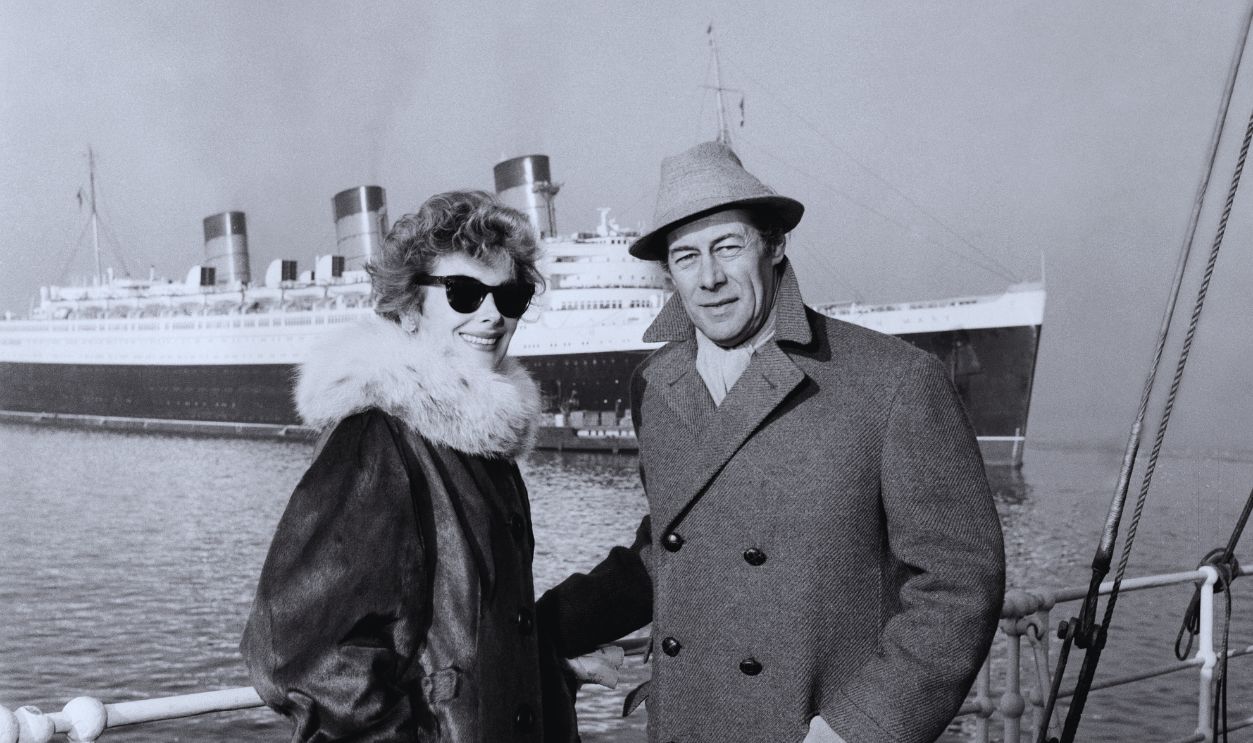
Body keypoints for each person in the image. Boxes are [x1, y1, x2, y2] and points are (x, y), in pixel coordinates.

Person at [536, 141, 1006, 743]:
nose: (708, 279)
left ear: (775, 244)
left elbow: (960, 581)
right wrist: (542, 628)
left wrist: (857, 729)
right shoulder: (654, 384)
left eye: (727, 247)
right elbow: (673, 546)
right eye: (685, 257)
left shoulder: (891, 381)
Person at [241, 190, 569, 742]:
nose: (491, 314)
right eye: (464, 293)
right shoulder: (376, 436)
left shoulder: (480, 440)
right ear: (410, 307)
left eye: (510, 295)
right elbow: (296, 652)